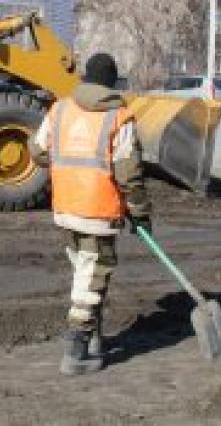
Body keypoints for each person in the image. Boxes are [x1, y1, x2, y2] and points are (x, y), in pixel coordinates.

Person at [29, 53, 152, 376]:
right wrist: (140, 215)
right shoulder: (118, 117)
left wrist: (65, 164)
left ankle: (94, 337)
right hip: (99, 211)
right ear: (112, 83)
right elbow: (129, 174)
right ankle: (77, 348)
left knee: (86, 272)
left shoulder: (60, 109)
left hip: (66, 208)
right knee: (93, 275)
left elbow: (38, 150)